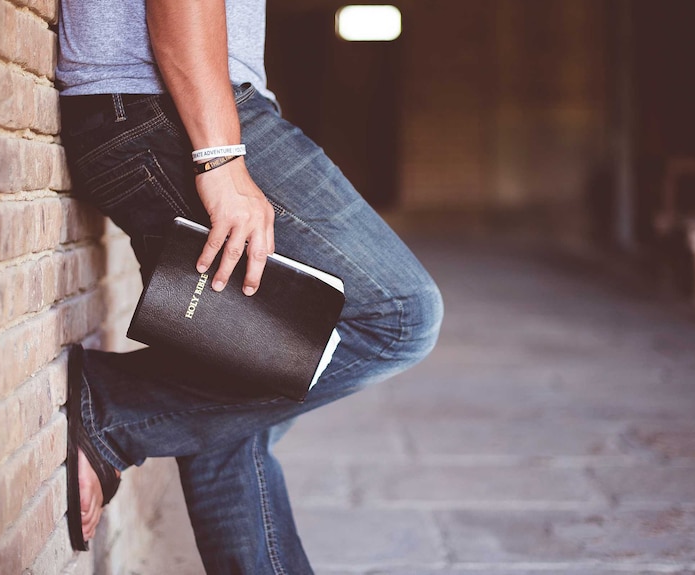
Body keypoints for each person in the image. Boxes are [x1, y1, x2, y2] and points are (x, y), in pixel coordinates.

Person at [56, 0, 443, 572]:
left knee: (231, 403)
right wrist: (220, 158)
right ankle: (115, 405)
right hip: (163, 109)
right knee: (398, 316)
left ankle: (123, 408)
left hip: (150, 108)